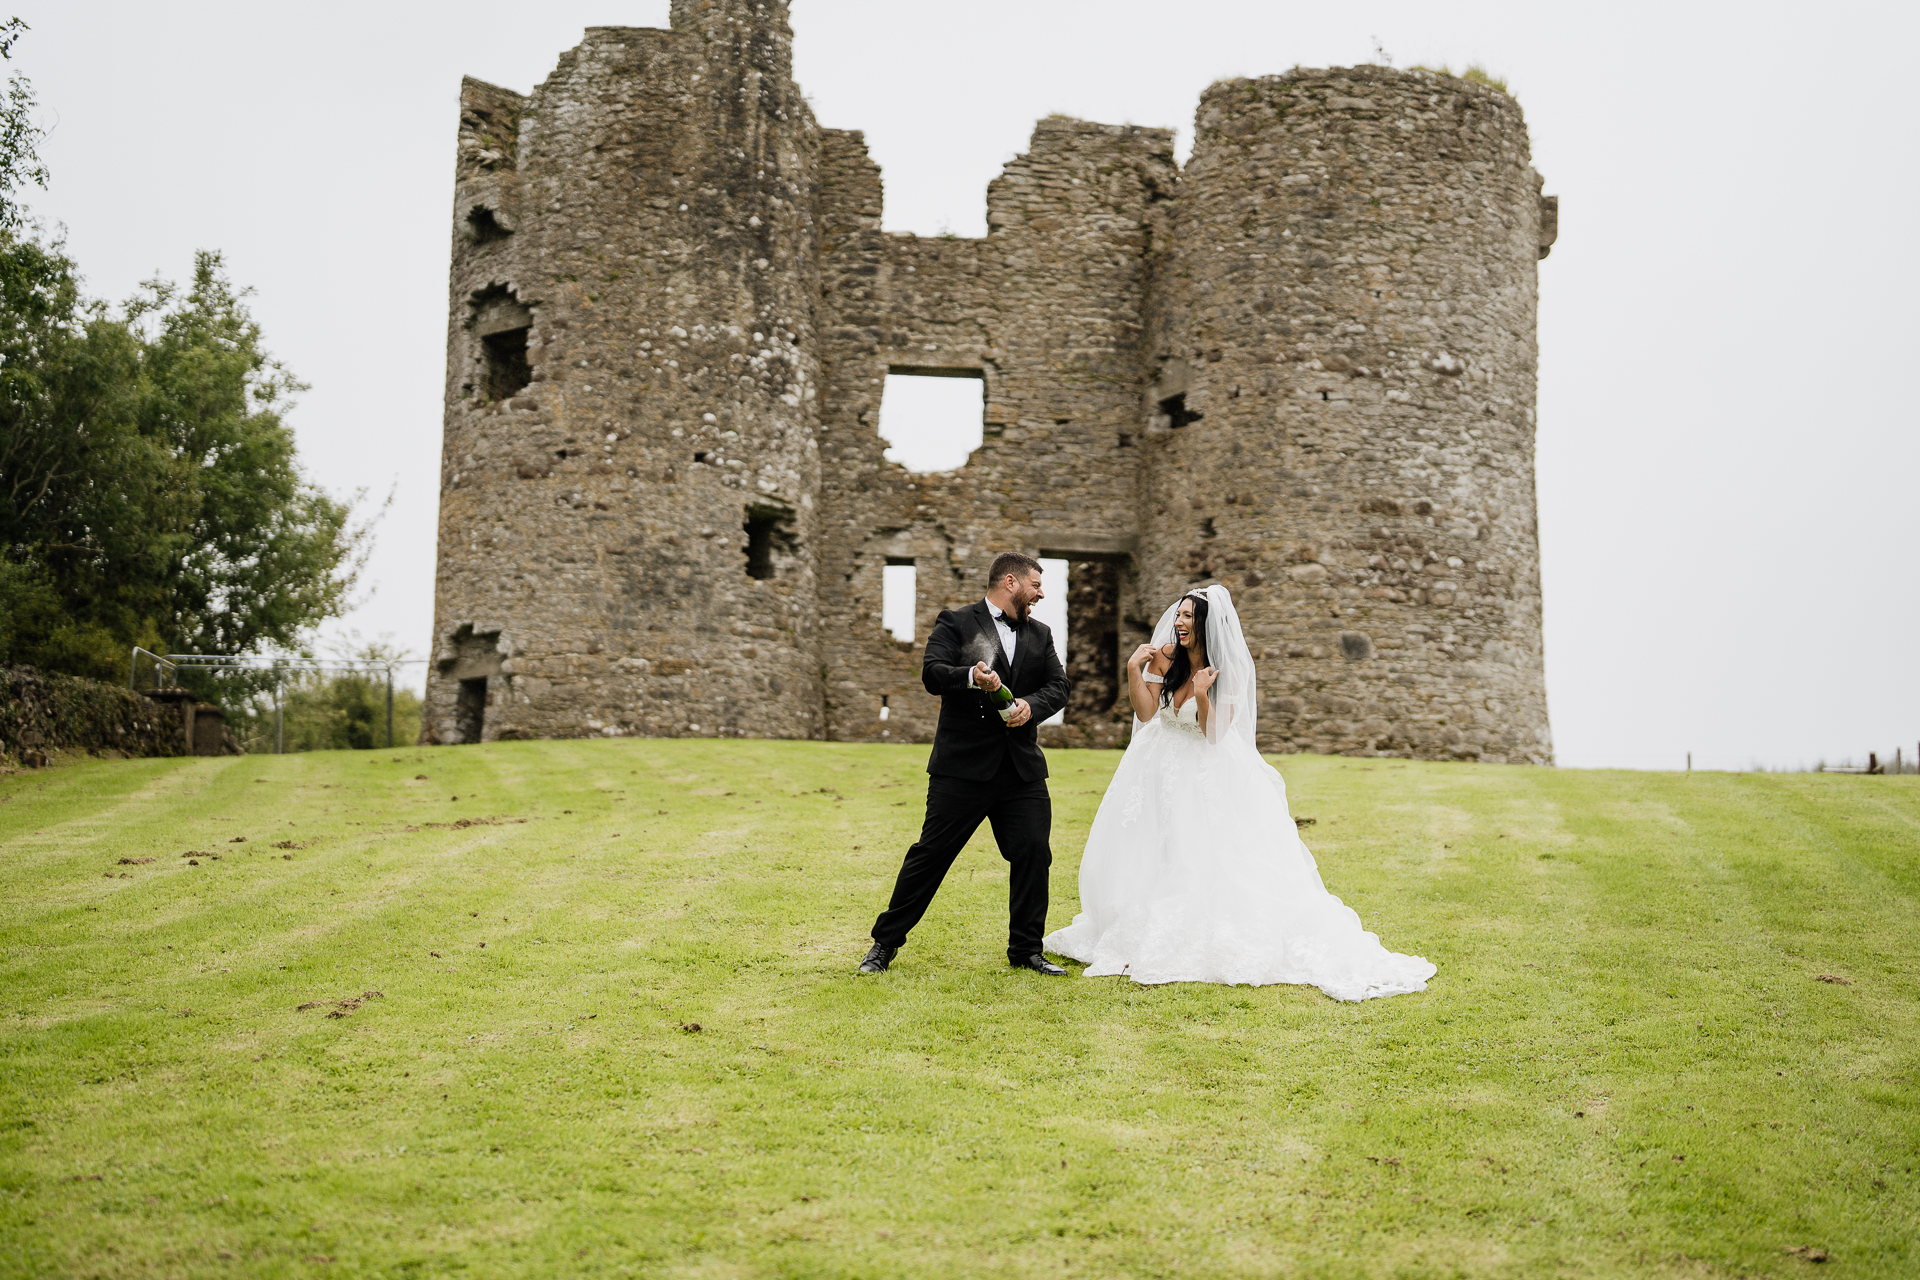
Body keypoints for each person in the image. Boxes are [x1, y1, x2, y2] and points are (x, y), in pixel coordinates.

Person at [1042, 584, 1436, 1001]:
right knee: (1152, 845)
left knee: (1198, 850)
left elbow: (1214, 735)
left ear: (1206, 625)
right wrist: (1133, 671)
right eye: (1178, 615)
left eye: (1188, 617)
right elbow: (1144, 711)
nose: (1178, 623)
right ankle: (1141, 922)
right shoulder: (1166, 656)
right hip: (1157, 765)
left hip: (1204, 769)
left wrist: (1200, 696)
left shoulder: (1225, 669)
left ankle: (1197, 929)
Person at [859, 553, 1072, 976]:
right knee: (931, 855)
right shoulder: (955, 622)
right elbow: (932, 674)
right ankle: (883, 946)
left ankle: (1026, 950)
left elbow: (1059, 686)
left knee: (1033, 852)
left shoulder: (1042, 634)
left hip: (1021, 770)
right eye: (1035, 585)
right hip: (962, 768)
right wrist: (972, 676)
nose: (1041, 593)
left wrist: (1030, 705)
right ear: (1010, 582)